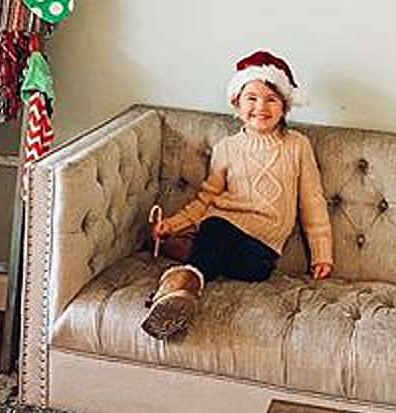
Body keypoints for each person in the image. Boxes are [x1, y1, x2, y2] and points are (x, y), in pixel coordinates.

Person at [141, 51, 334, 340]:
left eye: (271, 99)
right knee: (215, 229)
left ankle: (182, 258)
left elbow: (312, 201)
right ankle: (182, 285)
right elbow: (205, 200)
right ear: (236, 104)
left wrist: (322, 254)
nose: (261, 107)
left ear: (284, 106)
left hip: (264, 246)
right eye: (251, 98)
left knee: (254, 271)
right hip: (223, 223)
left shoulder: (297, 146)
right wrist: (173, 223)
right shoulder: (227, 148)